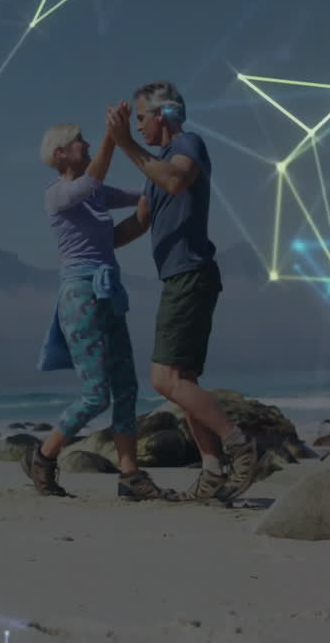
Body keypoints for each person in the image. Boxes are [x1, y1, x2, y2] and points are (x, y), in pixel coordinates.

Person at [104, 79, 262, 504]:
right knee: (184, 380)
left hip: (191, 274)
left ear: (163, 115)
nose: (137, 128)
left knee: (165, 379)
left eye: (141, 119)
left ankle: (239, 446)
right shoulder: (155, 166)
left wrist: (124, 146)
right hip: (179, 278)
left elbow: (176, 181)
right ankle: (212, 472)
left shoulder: (188, 145)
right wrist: (86, 242)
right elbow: (137, 223)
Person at [25, 116, 176, 501]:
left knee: (127, 387)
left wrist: (171, 182)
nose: (87, 143)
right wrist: (114, 137)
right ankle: (42, 456)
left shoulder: (95, 193)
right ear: (61, 154)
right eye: (80, 141)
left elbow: (141, 196)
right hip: (80, 296)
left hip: (109, 292)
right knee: (96, 395)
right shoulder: (56, 195)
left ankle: (130, 475)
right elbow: (91, 180)